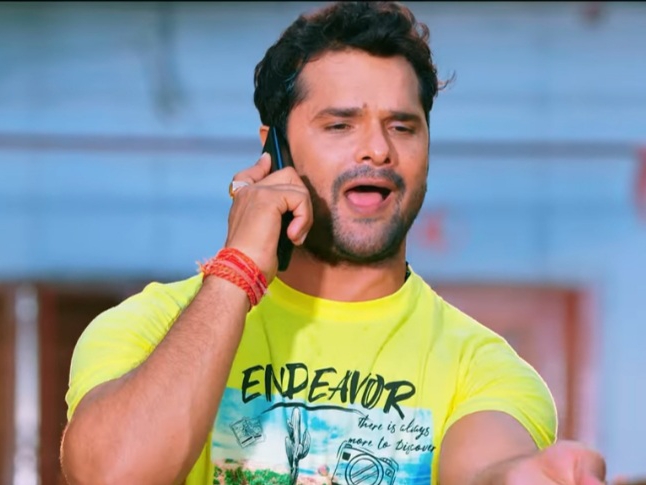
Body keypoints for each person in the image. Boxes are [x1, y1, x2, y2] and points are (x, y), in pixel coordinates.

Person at [60, 2, 606, 484]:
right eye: (340, 125)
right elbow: (113, 475)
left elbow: (485, 469)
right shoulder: (151, 326)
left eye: (402, 127)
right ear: (273, 151)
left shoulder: (482, 365)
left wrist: (522, 476)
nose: (377, 150)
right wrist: (238, 269)